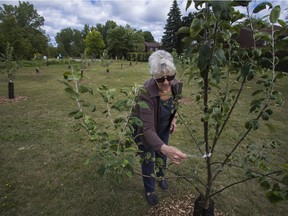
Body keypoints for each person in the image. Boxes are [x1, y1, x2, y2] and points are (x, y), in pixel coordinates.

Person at [132, 50, 187, 206]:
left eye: (170, 77)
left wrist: (173, 119)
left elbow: (176, 104)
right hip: (144, 127)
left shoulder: (176, 85)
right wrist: (166, 149)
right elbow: (148, 130)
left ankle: (161, 176)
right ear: (153, 76)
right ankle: (150, 189)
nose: (166, 82)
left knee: (162, 154)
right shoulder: (146, 91)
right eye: (160, 79)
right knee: (148, 157)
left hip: (163, 124)